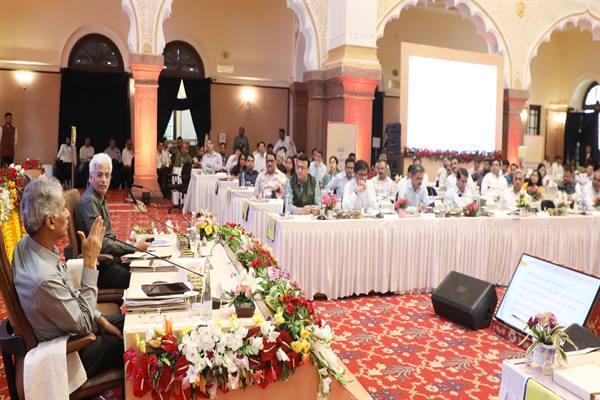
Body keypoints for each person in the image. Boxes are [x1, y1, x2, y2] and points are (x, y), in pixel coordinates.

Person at [13, 177, 124, 379]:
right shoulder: (44, 280)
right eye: (64, 208)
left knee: (129, 323)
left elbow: (70, 298)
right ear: (50, 221)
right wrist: (90, 262)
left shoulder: (27, 244)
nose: (67, 214)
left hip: (69, 324)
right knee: (137, 342)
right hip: (69, 354)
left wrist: (100, 318)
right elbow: (84, 324)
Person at [75, 153, 150, 289]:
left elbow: (108, 238)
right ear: (90, 177)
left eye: (107, 175)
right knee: (141, 278)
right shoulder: (90, 201)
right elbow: (102, 244)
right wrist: (134, 247)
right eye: (99, 175)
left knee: (147, 268)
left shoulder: (99, 197)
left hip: (111, 261)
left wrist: (132, 246)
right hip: (100, 268)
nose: (104, 180)